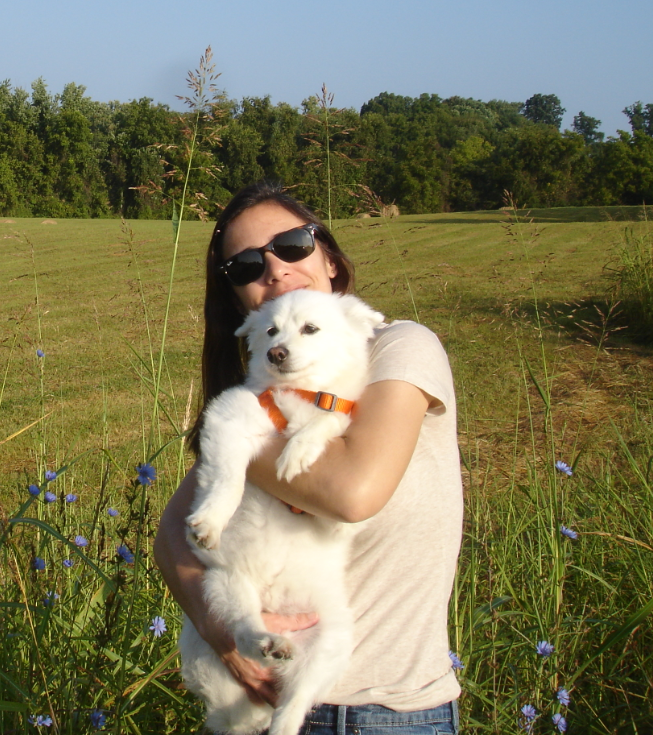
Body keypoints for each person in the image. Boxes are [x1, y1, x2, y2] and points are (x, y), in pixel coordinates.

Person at [154, 181, 462, 734]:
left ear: (333, 262)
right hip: (250, 698)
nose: (272, 269)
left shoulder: (398, 347)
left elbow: (352, 493)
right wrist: (224, 627)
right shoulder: (262, 394)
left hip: (386, 710)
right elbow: (175, 530)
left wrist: (246, 433)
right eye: (246, 266)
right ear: (241, 303)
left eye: (292, 244)